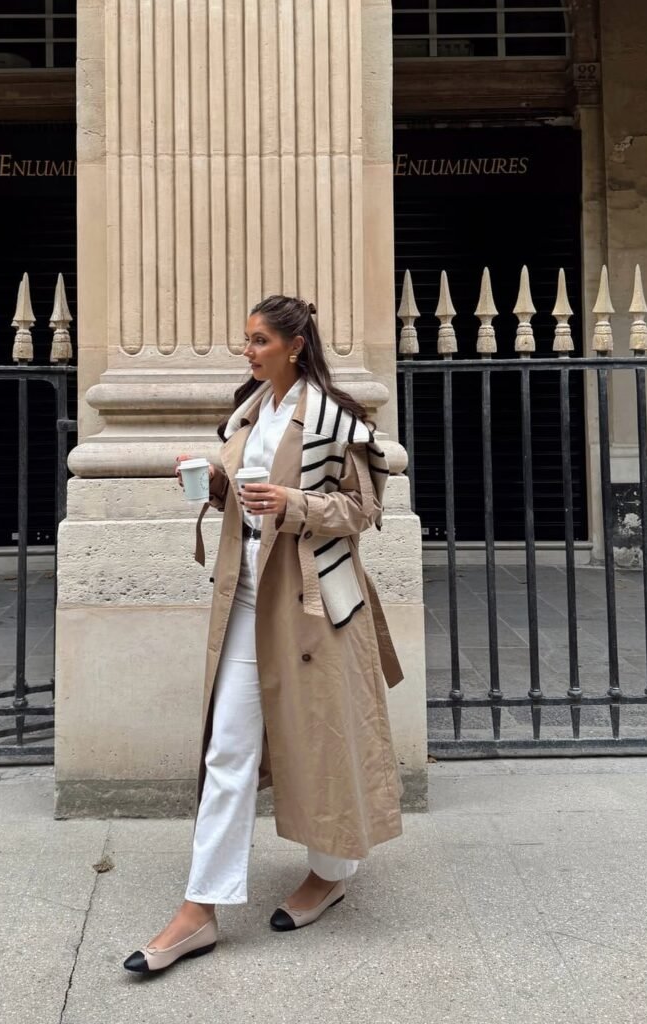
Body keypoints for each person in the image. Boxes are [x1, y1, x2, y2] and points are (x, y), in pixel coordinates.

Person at [123, 295, 404, 976]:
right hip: (245, 596)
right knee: (227, 749)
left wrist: (293, 503)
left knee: (325, 739)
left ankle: (331, 872)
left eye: (257, 341)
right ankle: (200, 909)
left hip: (310, 602)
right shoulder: (249, 410)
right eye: (245, 339)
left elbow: (363, 510)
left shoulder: (334, 417)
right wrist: (216, 482)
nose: (246, 351)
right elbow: (243, 495)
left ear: (294, 345)